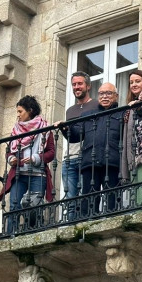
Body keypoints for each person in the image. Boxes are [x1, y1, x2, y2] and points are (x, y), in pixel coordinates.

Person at [0, 96, 54, 230]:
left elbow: (51, 152)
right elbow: (9, 152)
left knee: (34, 206)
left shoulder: (45, 128)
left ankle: (33, 233)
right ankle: (11, 235)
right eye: (17, 112)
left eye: (20, 111)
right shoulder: (16, 129)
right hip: (19, 174)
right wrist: (11, 159)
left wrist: (36, 158)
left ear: (30, 111)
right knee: (14, 205)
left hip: (38, 174)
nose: (18, 115)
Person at [67, 82, 122, 214]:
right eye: (102, 94)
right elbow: (75, 136)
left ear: (116, 96)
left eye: (108, 93)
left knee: (112, 202)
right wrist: (64, 128)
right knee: (88, 205)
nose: (104, 97)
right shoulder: (88, 115)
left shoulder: (121, 113)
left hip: (113, 162)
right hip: (90, 162)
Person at [57, 72, 98, 215]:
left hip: (87, 157)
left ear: (88, 86)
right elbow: (71, 136)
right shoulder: (70, 110)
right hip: (69, 159)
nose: (76, 87)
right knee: (71, 203)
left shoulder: (96, 105)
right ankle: (71, 231)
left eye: (79, 84)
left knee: (85, 199)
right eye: (74, 84)